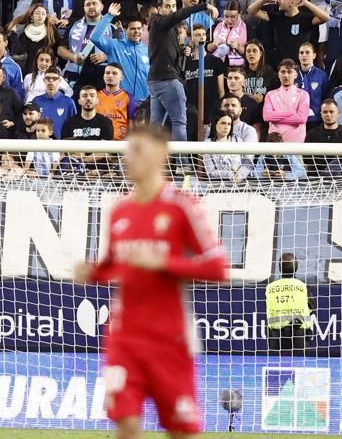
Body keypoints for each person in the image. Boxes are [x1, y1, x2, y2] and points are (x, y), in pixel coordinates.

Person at [74, 123, 229, 439]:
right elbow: (114, 266)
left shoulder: (182, 206)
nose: (127, 157)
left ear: (160, 155)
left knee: (181, 430)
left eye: (137, 150)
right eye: (127, 150)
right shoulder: (120, 211)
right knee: (126, 424)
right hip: (124, 337)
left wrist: (163, 262)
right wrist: (92, 272)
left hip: (168, 338)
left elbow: (218, 268)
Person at [264, 251, 312, 353]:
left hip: (276, 334)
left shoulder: (270, 287)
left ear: (280, 268)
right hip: (299, 334)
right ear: (296, 267)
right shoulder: (303, 287)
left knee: (276, 366)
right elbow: (312, 309)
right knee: (300, 365)